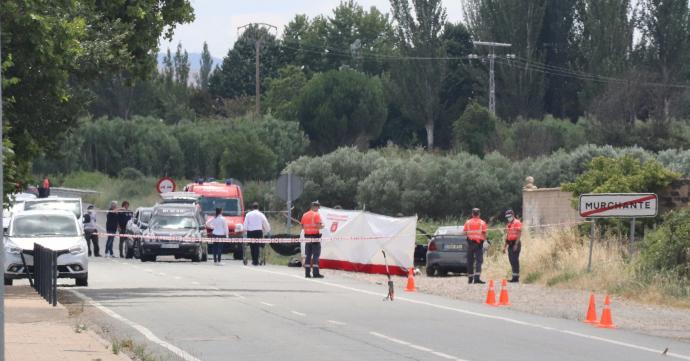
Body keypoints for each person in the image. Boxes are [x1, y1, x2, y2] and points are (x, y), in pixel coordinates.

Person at [463, 208, 487, 284]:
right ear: (479, 214)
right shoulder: (482, 223)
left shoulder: (468, 222)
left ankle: (470, 278)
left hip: (470, 244)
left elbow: (464, 233)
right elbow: (484, 234)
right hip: (479, 244)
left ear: (472, 214)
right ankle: (476, 278)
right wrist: (486, 240)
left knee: (470, 261)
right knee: (479, 261)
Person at [301, 201, 324, 278]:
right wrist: (322, 225)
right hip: (315, 237)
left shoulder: (305, 215)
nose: (318, 209)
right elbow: (318, 226)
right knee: (316, 255)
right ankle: (315, 273)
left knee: (308, 255)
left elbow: (302, 226)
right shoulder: (316, 214)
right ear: (315, 207)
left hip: (307, 237)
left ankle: (307, 273)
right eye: (318, 207)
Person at [503, 209, 522, 283]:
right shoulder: (508, 224)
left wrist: (516, 244)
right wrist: (504, 247)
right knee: (511, 260)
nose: (508, 218)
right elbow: (507, 236)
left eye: (509, 216)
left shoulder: (517, 222)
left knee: (515, 260)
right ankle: (514, 276)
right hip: (510, 243)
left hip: (515, 243)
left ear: (513, 215)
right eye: (507, 217)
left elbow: (519, 233)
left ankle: (516, 278)